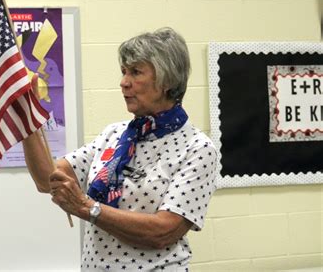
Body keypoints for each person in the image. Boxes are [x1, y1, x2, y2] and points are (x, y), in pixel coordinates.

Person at [22, 27, 217, 271]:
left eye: (136, 72)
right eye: (124, 72)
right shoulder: (114, 135)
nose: (123, 82)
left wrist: (87, 208)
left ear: (167, 80)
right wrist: (25, 119)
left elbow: (164, 231)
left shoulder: (197, 148)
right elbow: (47, 179)